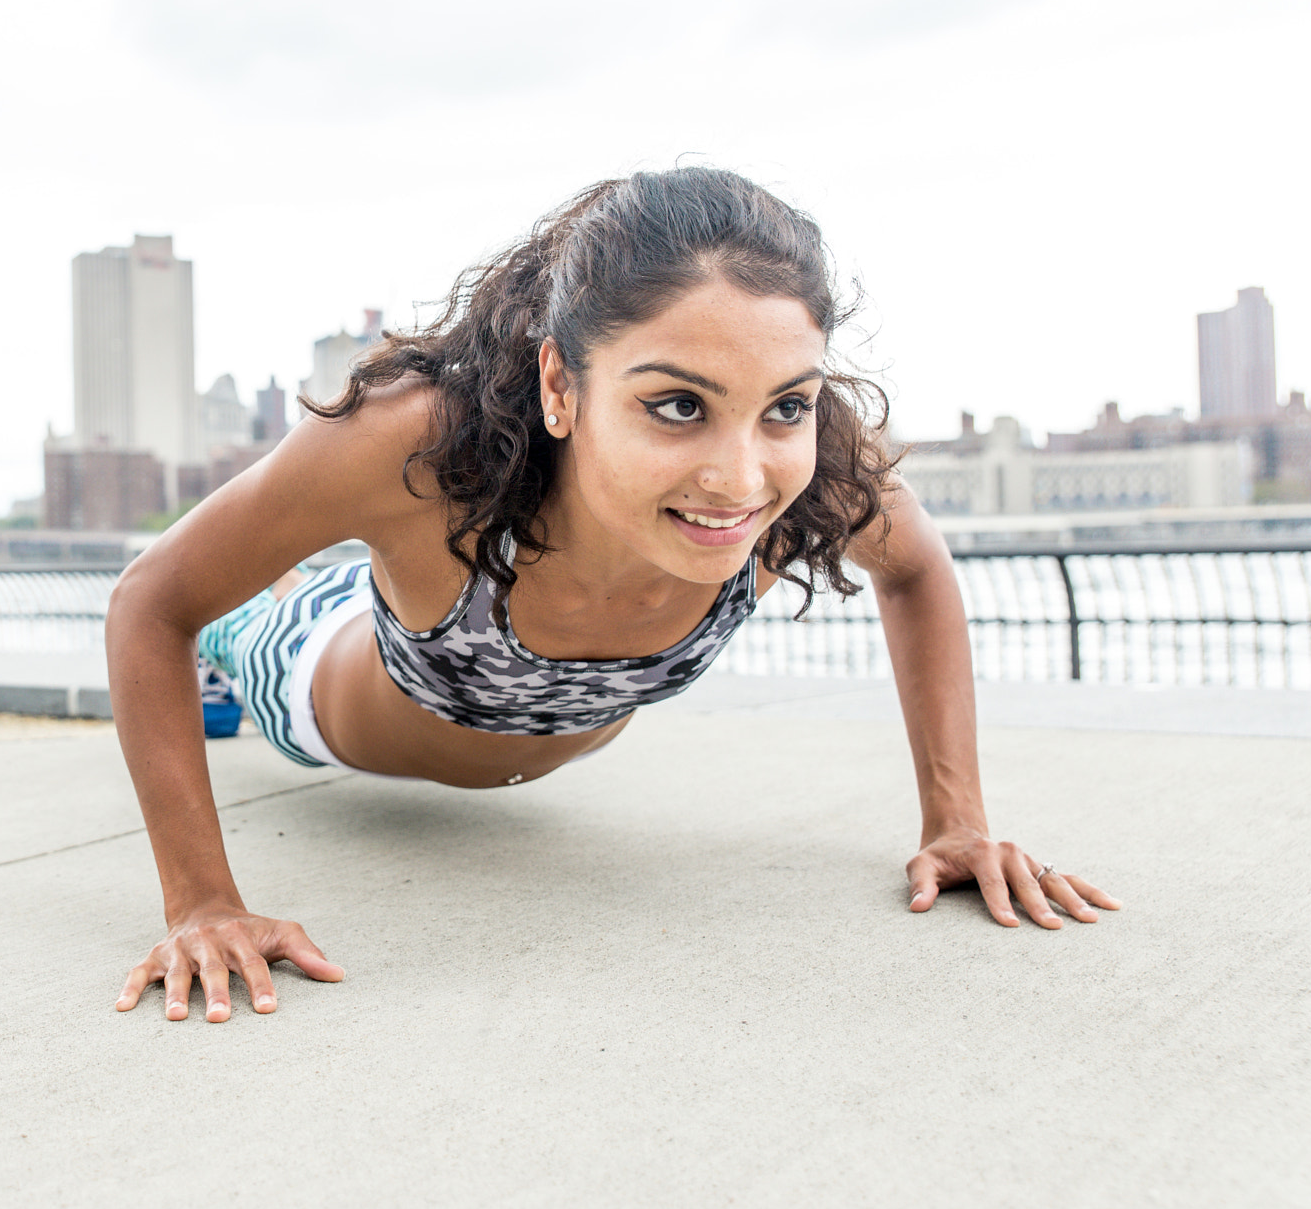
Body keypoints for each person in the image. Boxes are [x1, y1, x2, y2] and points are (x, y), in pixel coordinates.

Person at [107, 167, 1120, 1024]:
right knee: (247, 617)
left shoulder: (811, 467)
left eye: (785, 406)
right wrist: (201, 900)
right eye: (675, 405)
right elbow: (150, 599)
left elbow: (916, 569)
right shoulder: (416, 440)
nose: (739, 478)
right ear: (559, 384)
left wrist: (955, 819)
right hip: (312, 678)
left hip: (450, 649)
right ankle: (260, 619)